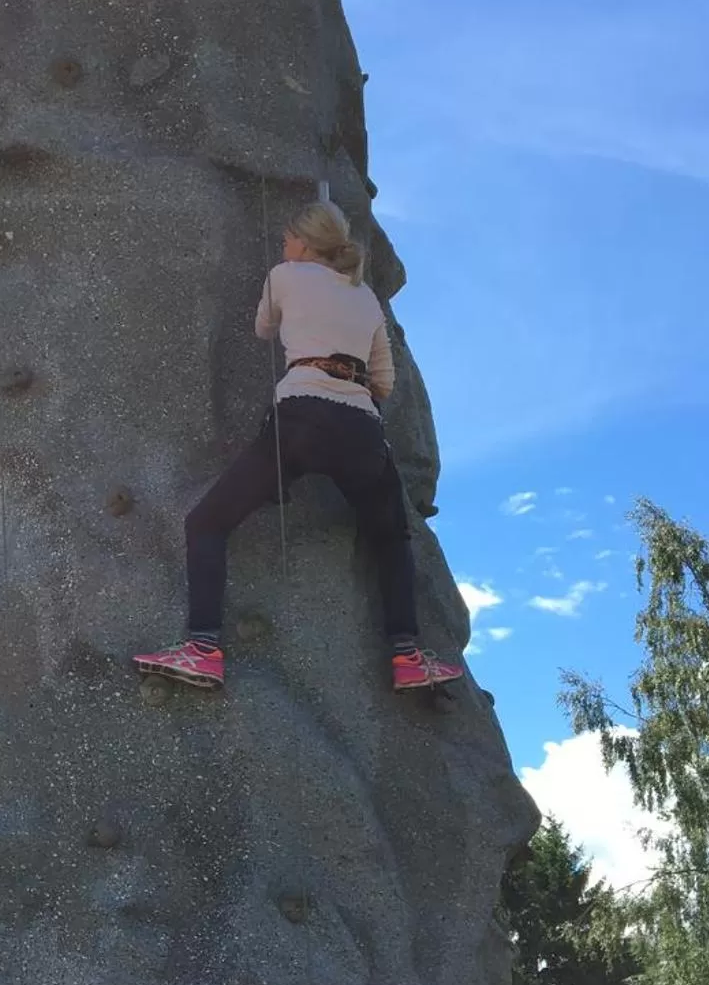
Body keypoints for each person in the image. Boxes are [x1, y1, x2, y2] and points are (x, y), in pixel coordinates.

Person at [133, 201, 464, 696]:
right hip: (360, 429)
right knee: (392, 541)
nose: (283, 243)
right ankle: (407, 656)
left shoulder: (284, 275)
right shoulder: (366, 297)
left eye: (289, 236)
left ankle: (203, 648)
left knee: (207, 523)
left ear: (305, 243)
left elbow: (263, 328)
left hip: (299, 418)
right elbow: (385, 383)